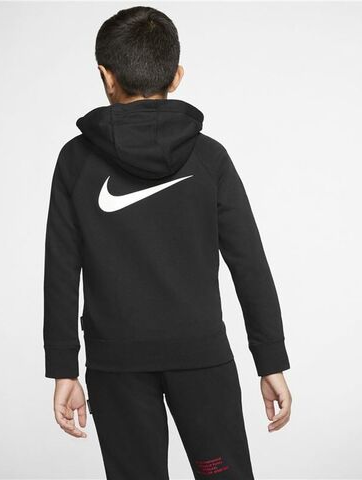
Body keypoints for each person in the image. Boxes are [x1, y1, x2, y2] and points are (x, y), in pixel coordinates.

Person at [43, 6, 292, 479]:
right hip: (202, 359)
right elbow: (249, 262)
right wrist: (270, 359)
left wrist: (63, 368)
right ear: (177, 76)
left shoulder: (75, 161)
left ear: (105, 76)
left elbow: (60, 268)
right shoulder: (210, 157)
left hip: (115, 363)